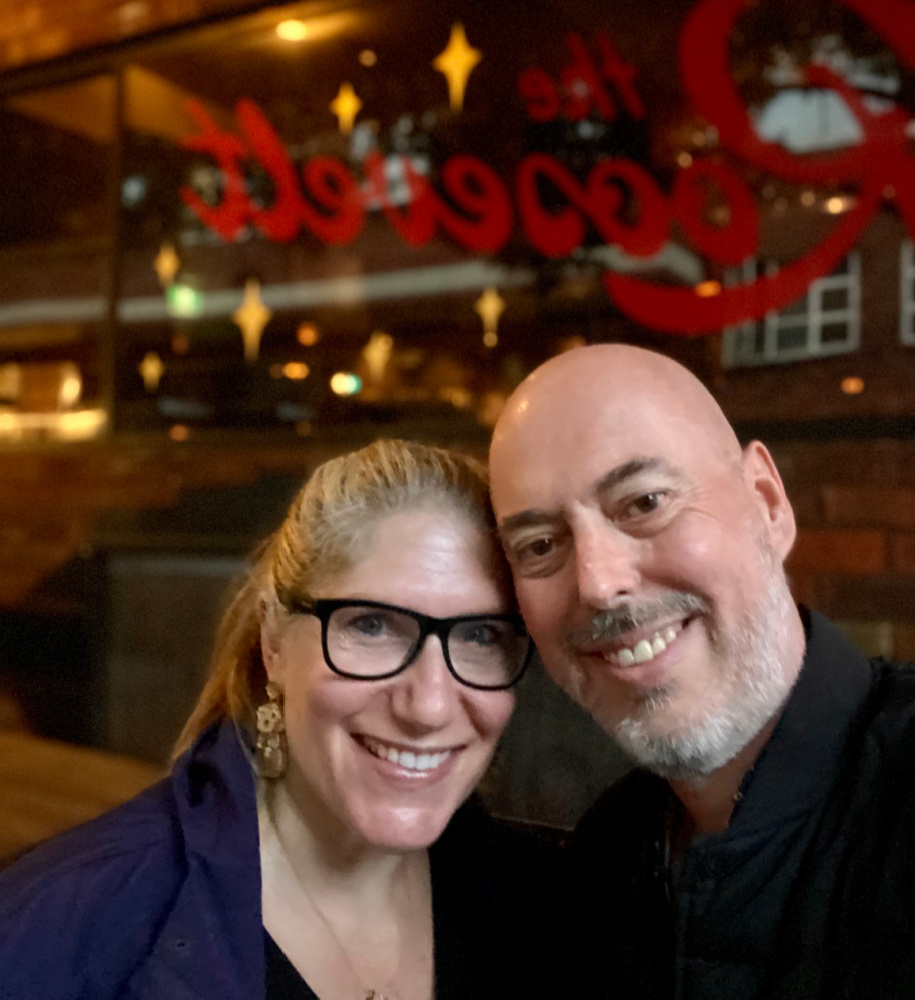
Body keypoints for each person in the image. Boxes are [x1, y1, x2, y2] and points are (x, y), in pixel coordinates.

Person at [0, 439, 551, 1000]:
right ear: (273, 643)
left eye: (483, 636)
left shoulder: (560, 915)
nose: (429, 706)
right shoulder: (65, 933)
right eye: (372, 627)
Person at [489, 343, 915, 1000]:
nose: (599, 584)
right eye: (540, 546)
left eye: (643, 502)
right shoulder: (602, 860)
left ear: (768, 504)